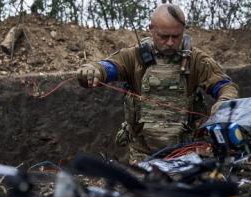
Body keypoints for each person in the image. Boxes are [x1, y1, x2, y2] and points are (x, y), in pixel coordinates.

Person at [78, 3, 239, 163]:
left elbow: (225, 86)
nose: (170, 42)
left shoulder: (195, 59)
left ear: (183, 30)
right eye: (163, 36)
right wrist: (93, 70)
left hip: (186, 153)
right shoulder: (134, 57)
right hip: (142, 156)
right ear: (151, 29)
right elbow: (109, 67)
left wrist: (224, 102)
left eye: (176, 36)